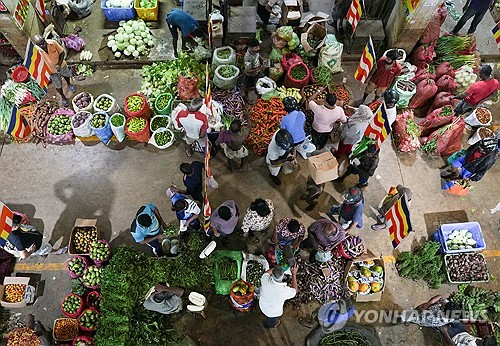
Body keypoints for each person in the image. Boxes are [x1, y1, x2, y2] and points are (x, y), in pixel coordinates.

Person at [33, 35, 75, 107]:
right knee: (58, 85)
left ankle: (69, 84)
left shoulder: (52, 43)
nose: (43, 45)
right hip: (51, 71)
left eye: (44, 42)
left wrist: (59, 64)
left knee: (67, 75)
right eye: (41, 44)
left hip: (61, 65)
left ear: (44, 40)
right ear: (37, 45)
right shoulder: (36, 51)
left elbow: (62, 53)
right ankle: (63, 97)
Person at [3, 215, 67, 259]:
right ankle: (56, 251)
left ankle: (43, 253)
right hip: (35, 245)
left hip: (27, 240)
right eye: (20, 223)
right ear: (14, 227)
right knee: (46, 248)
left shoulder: (4, 228)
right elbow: (24, 255)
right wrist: (31, 250)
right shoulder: (16, 239)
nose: (21, 224)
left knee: (42, 250)